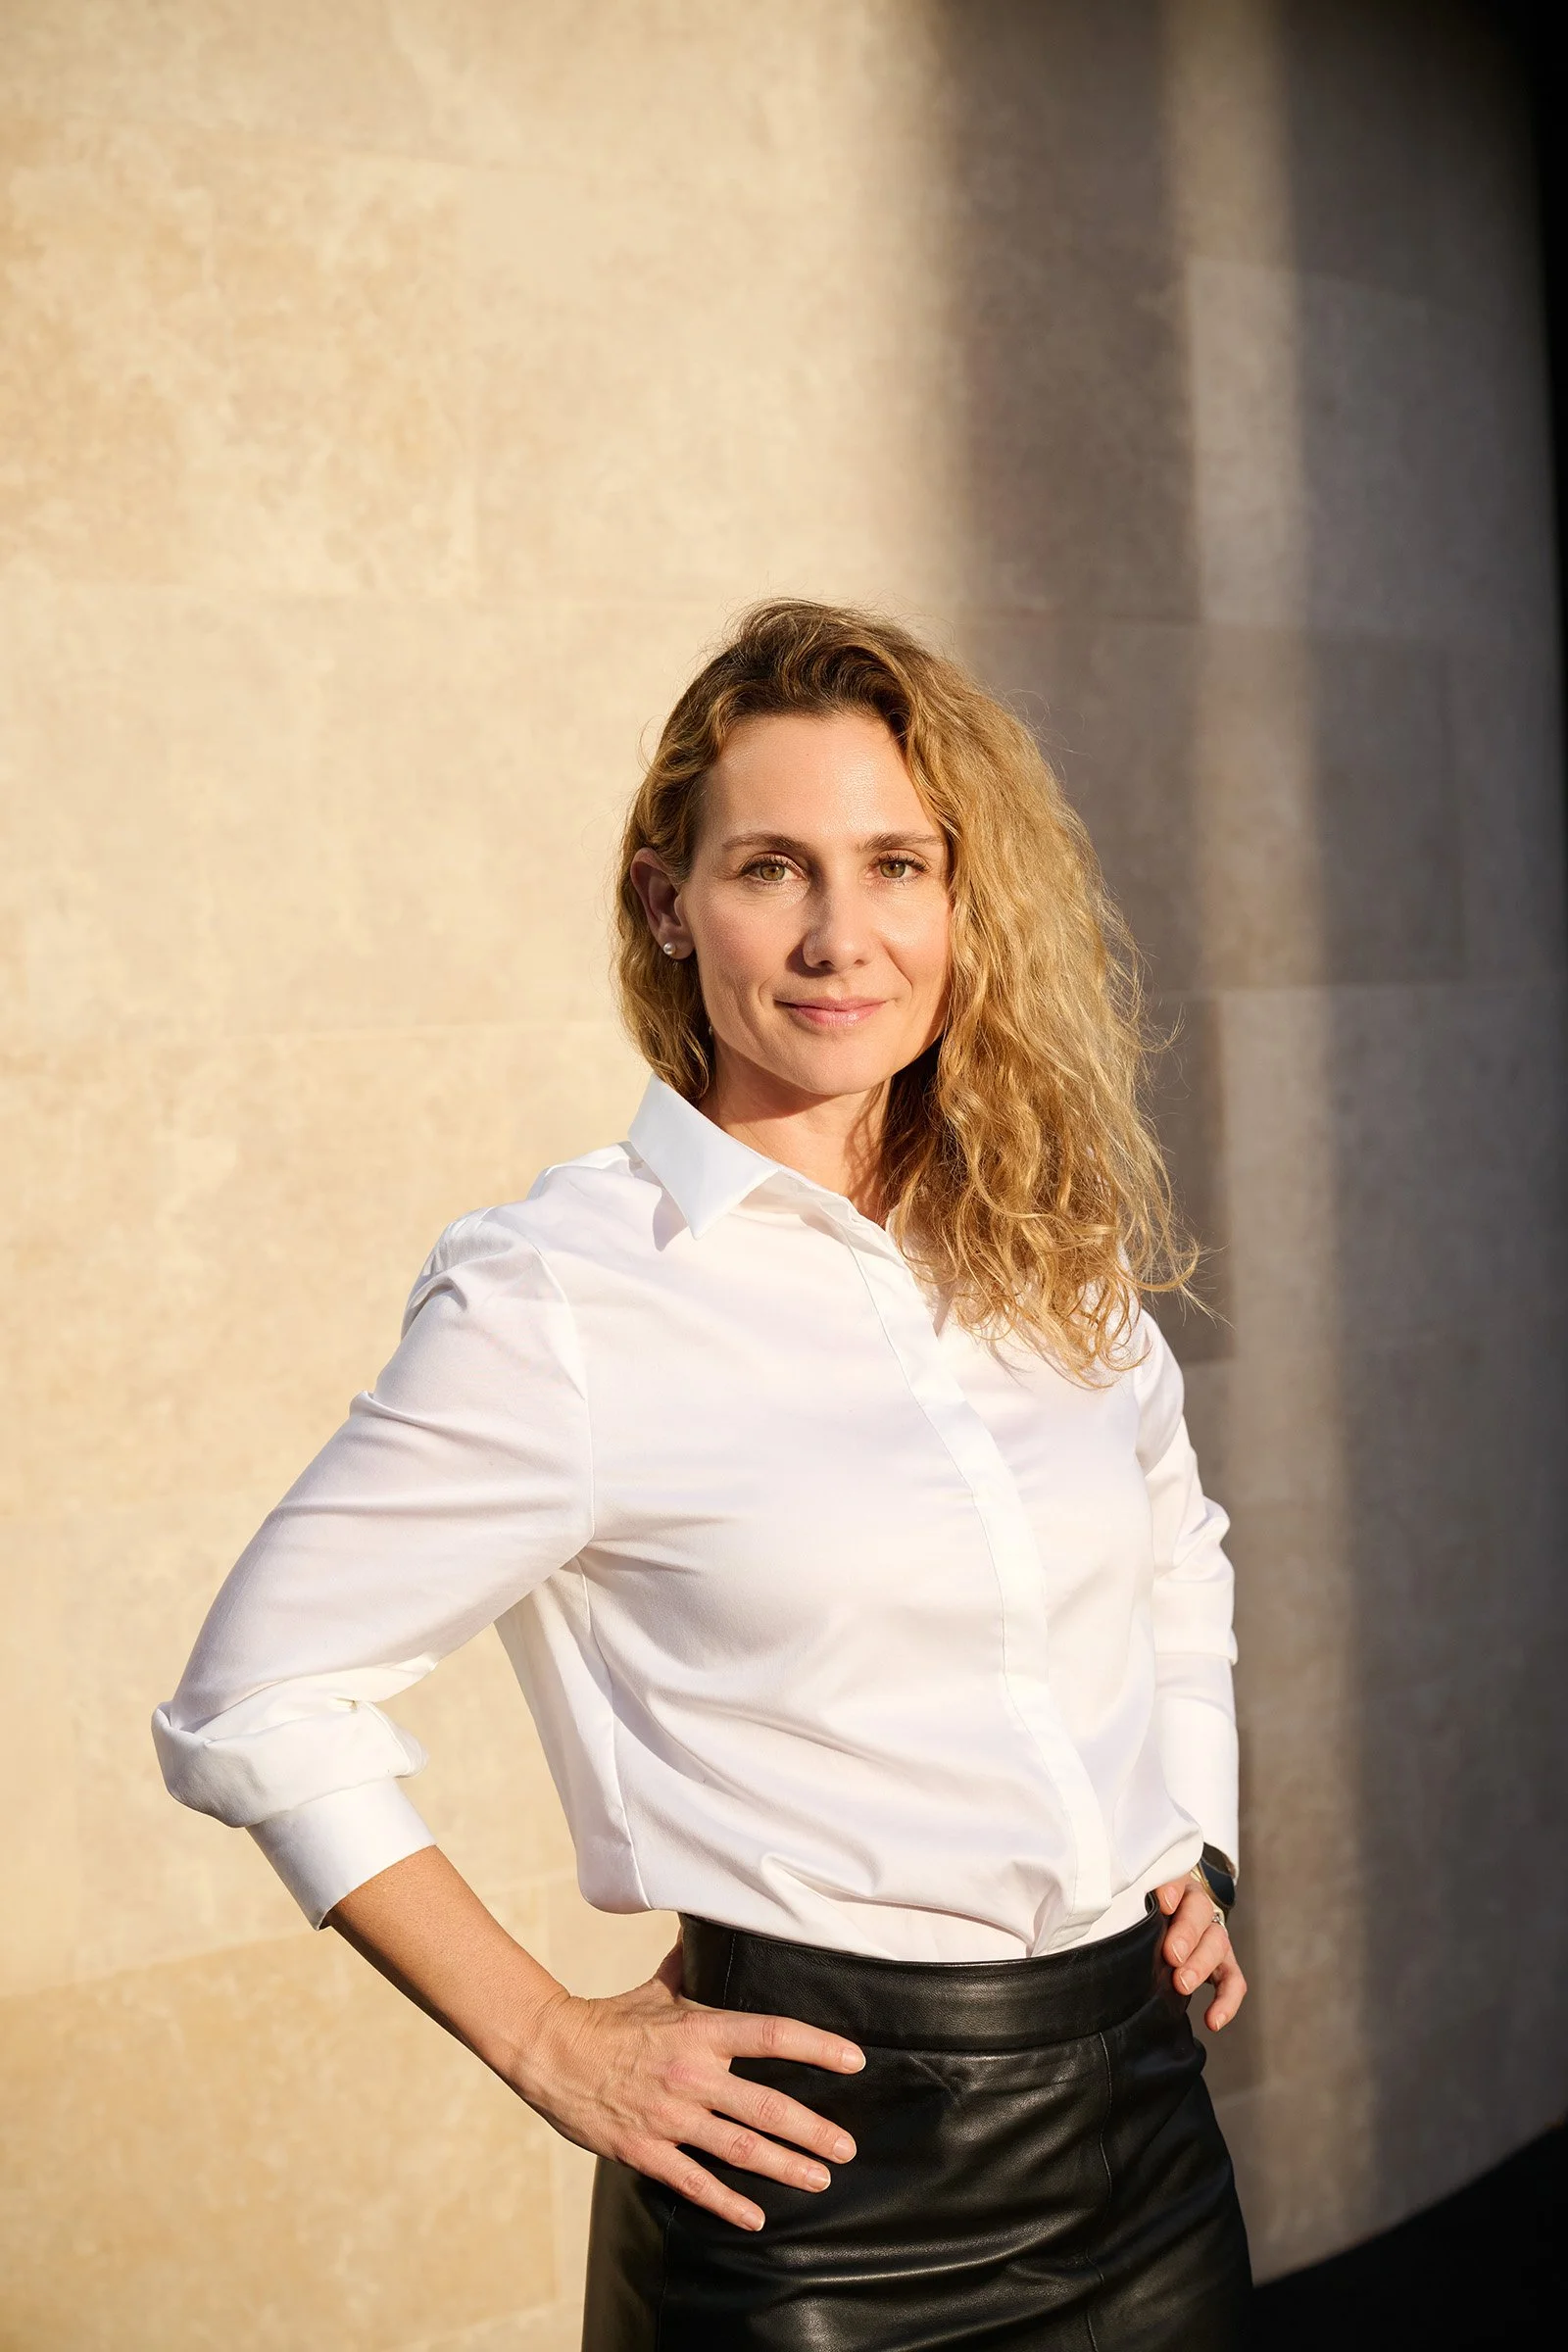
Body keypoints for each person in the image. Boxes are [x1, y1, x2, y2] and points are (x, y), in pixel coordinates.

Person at [154, 601, 1251, 2348]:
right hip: (816, 2186)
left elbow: (1175, 1544)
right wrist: (547, 2040)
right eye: (771, 868)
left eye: (897, 863)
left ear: (966, 901)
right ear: (671, 902)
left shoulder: (1048, 1241)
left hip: (1145, 2130)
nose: (841, 935)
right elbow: (252, 1699)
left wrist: (1194, 1824)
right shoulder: (569, 1295)